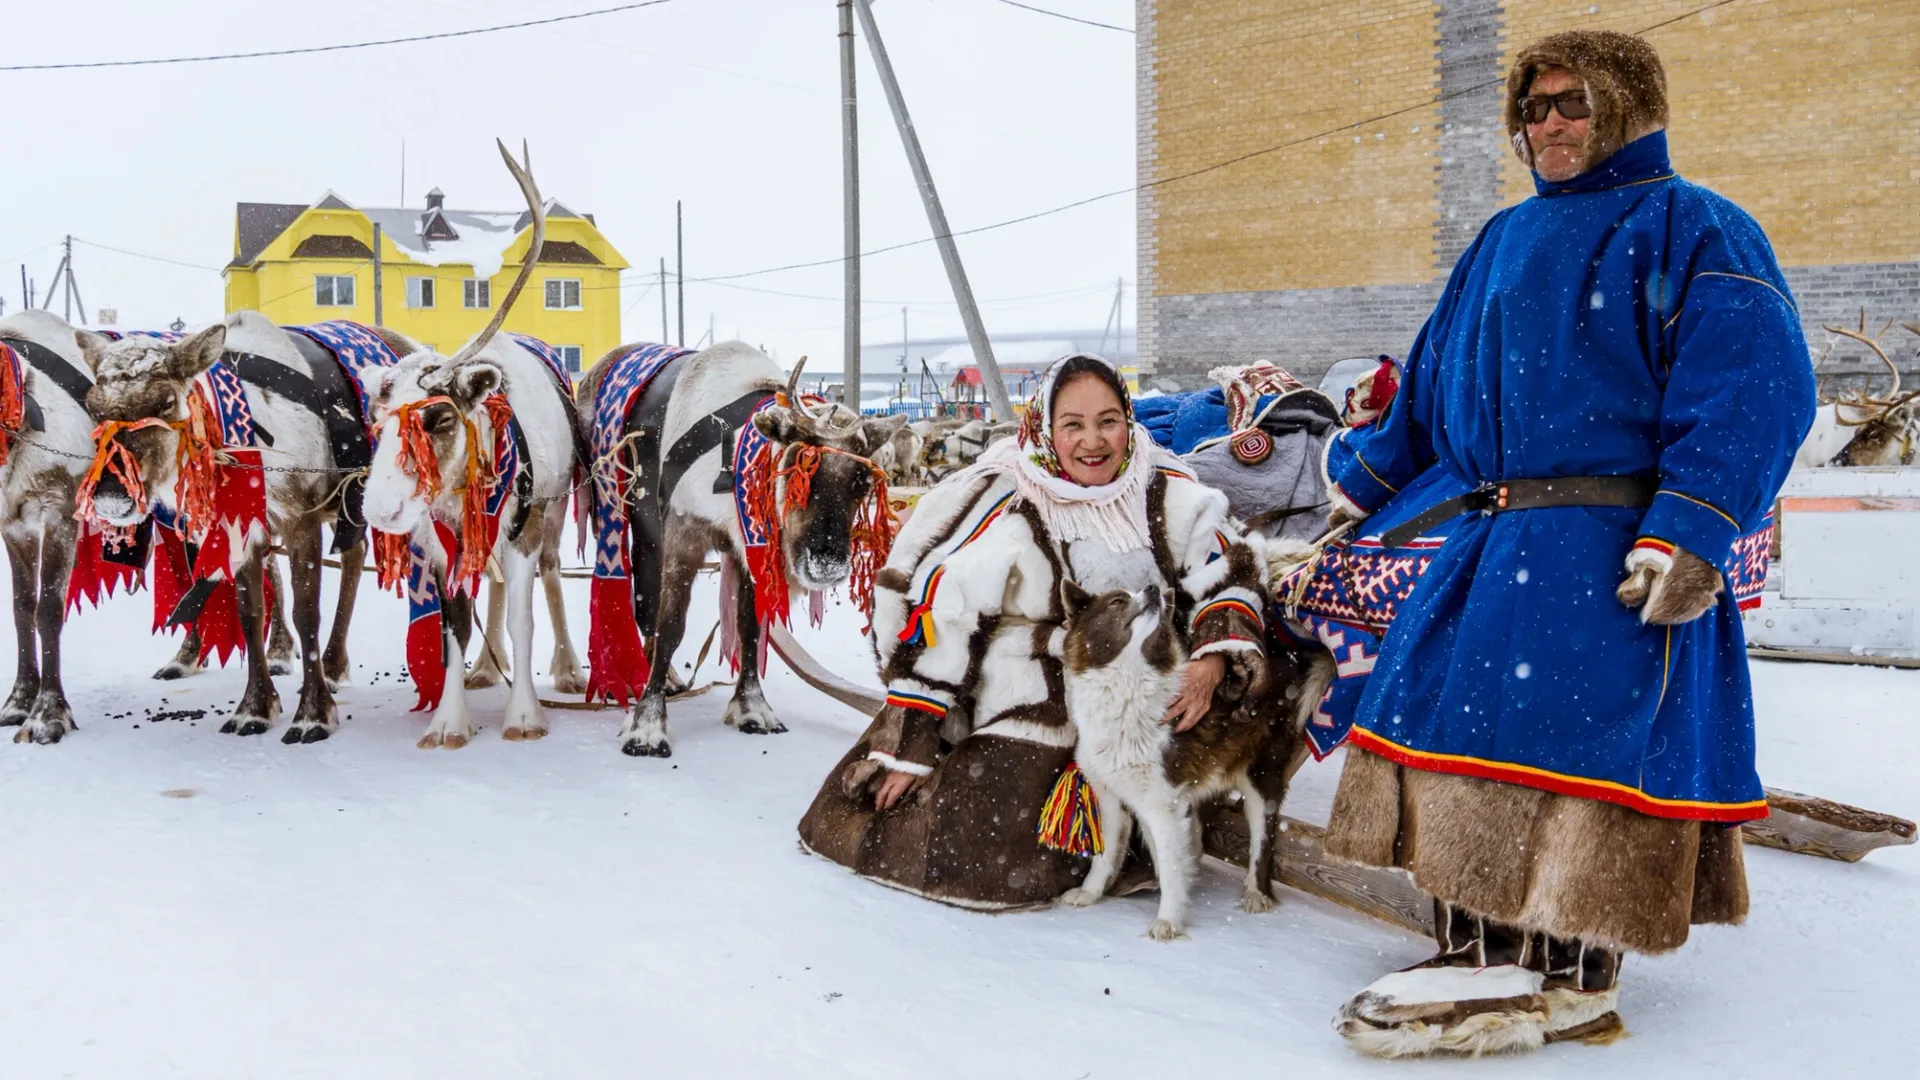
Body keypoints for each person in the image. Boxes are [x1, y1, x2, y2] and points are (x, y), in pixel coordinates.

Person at [1317, 31, 1815, 1056]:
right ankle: (1473, 951)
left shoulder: (1699, 227)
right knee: (1449, 742)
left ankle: (1574, 970)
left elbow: (1754, 390)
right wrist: (1356, 486)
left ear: (1628, 107)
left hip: (1613, 548)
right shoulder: (1498, 241)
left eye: (1572, 103)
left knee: (1573, 752)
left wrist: (1691, 529)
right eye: (1534, 107)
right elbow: (1428, 391)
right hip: (1491, 541)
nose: (1548, 123)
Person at [797, 354, 1273, 910]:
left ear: (1129, 420)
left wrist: (1213, 662)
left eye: (1109, 420)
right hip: (1026, 679)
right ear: (1045, 428)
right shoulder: (1003, 498)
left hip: (1140, 690)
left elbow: (1231, 575)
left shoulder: (1165, 490)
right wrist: (912, 742)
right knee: (978, 845)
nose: (1093, 441)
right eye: (1072, 424)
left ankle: (1136, 839)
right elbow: (937, 613)